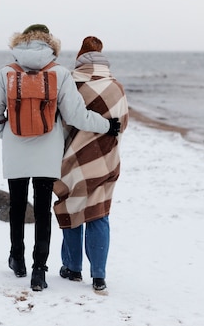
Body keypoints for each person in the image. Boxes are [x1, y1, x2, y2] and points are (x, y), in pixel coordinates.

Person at [0, 25, 120, 292]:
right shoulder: (59, 73)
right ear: (50, 46)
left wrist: (8, 135)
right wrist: (108, 126)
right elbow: (77, 116)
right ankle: (39, 271)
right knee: (42, 210)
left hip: (15, 152)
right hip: (48, 153)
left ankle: (17, 260)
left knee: (18, 207)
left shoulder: (6, 73)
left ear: (19, 44)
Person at [53, 36, 129, 295]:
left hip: (71, 158)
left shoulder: (70, 84)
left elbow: (60, 123)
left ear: (80, 57)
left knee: (72, 208)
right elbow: (123, 125)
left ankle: (72, 268)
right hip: (105, 159)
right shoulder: (116, 87)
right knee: (98, 214)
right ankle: (99, 277)